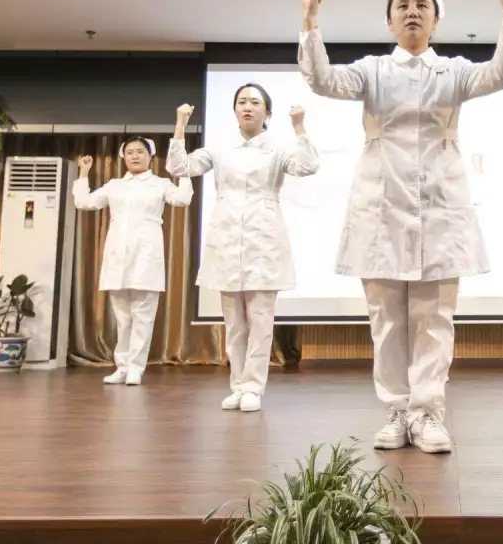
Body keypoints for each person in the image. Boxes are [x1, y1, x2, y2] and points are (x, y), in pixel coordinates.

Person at [297, 0, 503, 453]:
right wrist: (311, 24)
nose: (412, 12)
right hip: (380, 204)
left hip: (441, 204)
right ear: (389, 21)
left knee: (434, 318)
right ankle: (396, 410)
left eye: (422, 5)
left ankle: (427, 413)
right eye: (402, 6)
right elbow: (322, 80)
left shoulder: (454, 70)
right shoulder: (372, 70)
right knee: (386, 320)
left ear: (436, 20)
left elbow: (502, 73)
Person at [166, 86, 319, 412]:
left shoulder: (277, 149)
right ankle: (237, 385)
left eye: (255, 102)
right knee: (234, 322)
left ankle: (253, 387)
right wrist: (180, 125)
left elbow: (308, 167)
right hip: (226, 235)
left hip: (264, 237)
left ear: (267, 112)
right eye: (242, 102)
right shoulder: (220, 148)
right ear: (235, 110)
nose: (247, 107)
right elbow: (179, 168)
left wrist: (299, 127)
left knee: (260, 319)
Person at [73, 136, 194, 386]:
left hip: (146, 253)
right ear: (123, 156)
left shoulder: (160, 184)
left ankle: (136, 368)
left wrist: (184, 171)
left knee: (143, 316)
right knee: (122, 318)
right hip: (117, 253)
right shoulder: (115, 185)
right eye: (130, 152)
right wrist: (83, 173)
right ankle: (122, 367)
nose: (135, 156)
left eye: (140, 152)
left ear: (151, 156)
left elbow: (183, 199)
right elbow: (83, 203)